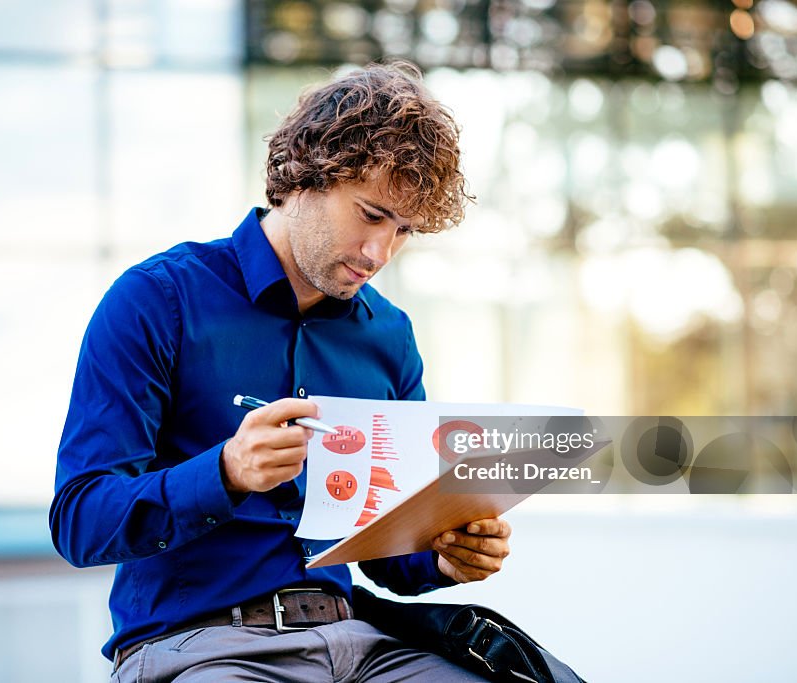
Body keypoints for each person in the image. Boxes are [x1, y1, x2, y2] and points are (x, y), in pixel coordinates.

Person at [50, 61, 512, 682]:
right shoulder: (157, 301)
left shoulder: (390, 338)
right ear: (306, 174)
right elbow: (80, 520)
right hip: (199, 647)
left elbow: (387, 552)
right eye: (372, 215)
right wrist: (225, 473)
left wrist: (445, 555)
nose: (381, 254)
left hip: (363, 644)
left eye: (404, 231)